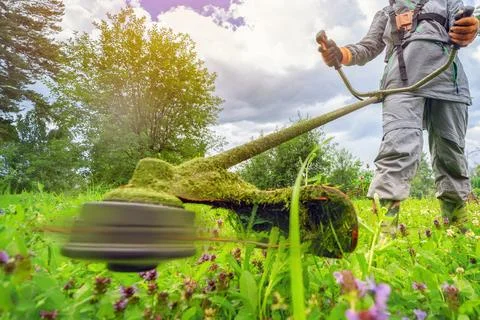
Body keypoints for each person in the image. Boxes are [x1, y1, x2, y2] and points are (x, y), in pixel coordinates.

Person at [318, 0, 479, 232]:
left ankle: (457, 225)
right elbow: (367, 47)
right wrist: (340, 54)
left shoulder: (447, 1)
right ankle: (385, 231)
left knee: (451, 152)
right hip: (401, 85)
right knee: (398, 148)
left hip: (448, 84)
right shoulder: (388, 11)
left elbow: (471, 19)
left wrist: (471, 25)